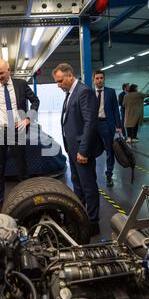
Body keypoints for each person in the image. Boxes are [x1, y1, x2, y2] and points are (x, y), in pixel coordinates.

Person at [0, 59, 39, 210]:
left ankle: (26, 200)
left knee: (22, 169)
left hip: (17, 130)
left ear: (9, 70)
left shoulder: (21, 84)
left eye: (1, 73)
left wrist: (28, 119)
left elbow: (35, 101)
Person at [52, 63, 103, 237]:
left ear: (70, 76)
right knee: (78, 186)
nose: (58, 85)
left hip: (82, 150)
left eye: (60, 81)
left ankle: (94, 222)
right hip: (73, 149)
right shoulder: (70, 93)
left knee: (88, 187)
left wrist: (83, 151)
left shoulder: (83, 92)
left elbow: (90, 123)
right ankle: (80, 217)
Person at [92, 70, 122, 187]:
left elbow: (115, 110)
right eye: (97, 78)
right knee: (91, 151)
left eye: (101, 78)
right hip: (93, 126)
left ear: (104, 79)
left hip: (106, 124)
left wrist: (118, 126)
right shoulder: (89, 92)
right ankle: (91, 175)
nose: (99, 80)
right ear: (94, 79)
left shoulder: (110, 92)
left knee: (110, 151)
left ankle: (109, 175)